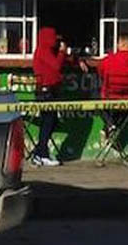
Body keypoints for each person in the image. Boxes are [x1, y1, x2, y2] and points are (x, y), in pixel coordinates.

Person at [31, 26, 87, 166]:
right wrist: (62, 51)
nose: (56, 42)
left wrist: (77, 60)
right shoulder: (43, 50)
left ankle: (39, 151)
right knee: (48, 121)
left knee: (52, 121)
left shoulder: (49, 51)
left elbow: (63, 60)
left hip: (51, 89)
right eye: (54, 39)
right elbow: (56, 65)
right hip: (45, 91)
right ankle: (41, 154)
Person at [97, 33, 128, 167]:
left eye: (118, 43)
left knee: (95, 99)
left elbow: (100, 71)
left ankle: (110, 126)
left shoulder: (109, 60)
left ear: (122, 45)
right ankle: (112, 127)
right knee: (121, 109)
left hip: (109, 97)